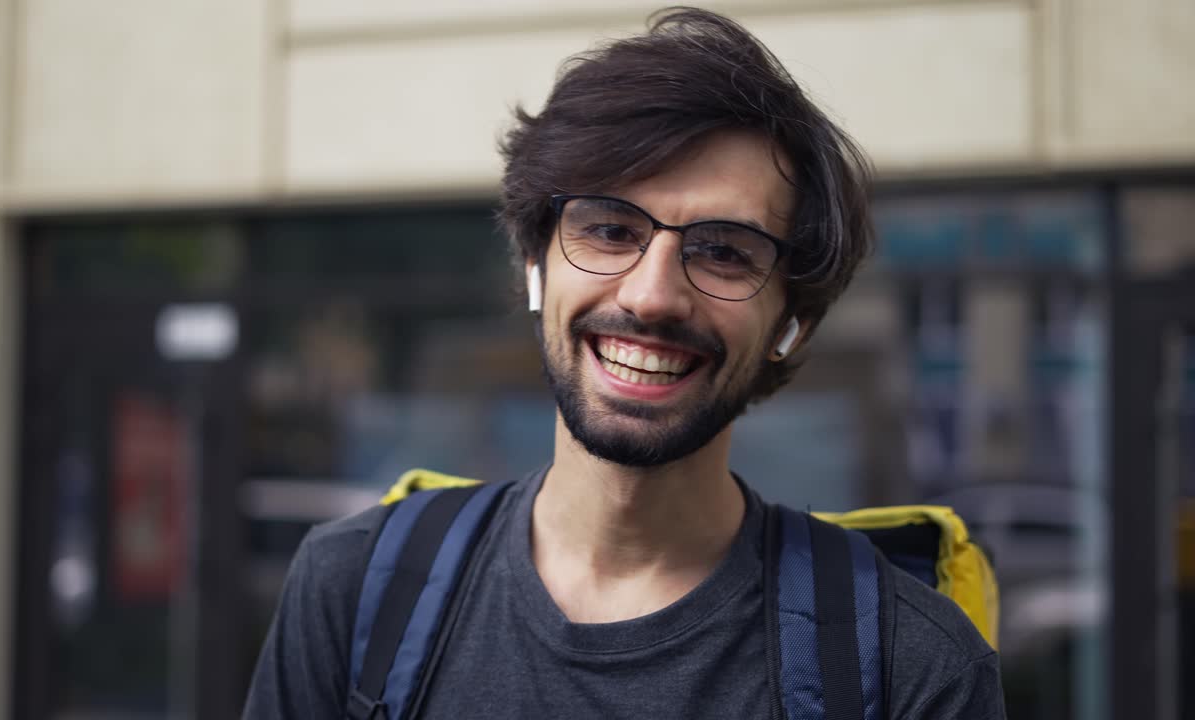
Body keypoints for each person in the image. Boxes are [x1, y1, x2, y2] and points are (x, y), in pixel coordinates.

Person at [244, 7, 1004, 719]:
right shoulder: (353, 593)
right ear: (536, 264)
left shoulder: (912, 666)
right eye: (609, 230)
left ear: (792, 325)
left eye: (723, 252)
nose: (651, 296)